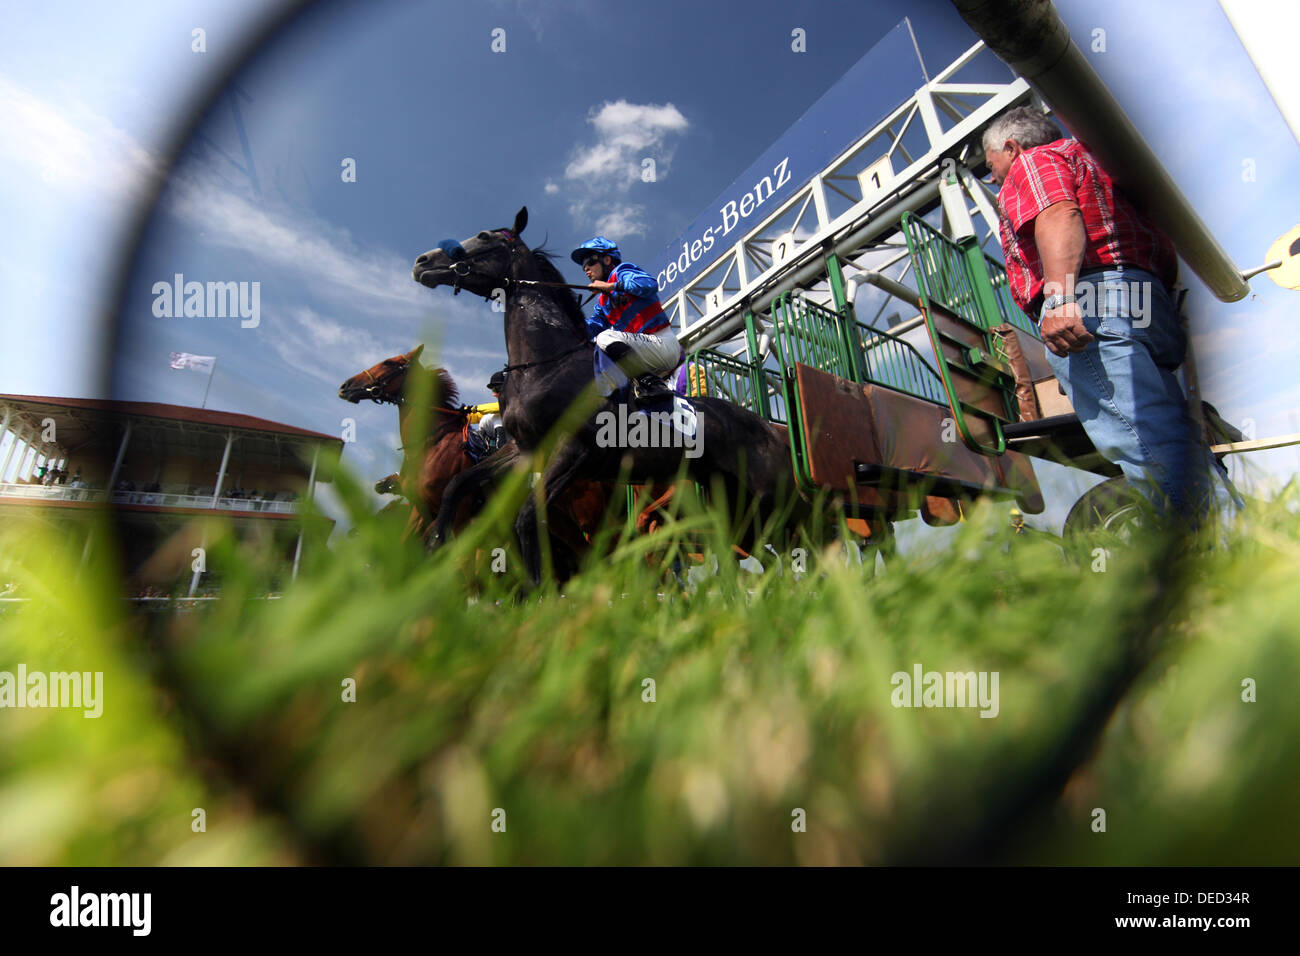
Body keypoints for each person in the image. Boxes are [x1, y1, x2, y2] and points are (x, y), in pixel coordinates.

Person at [982, 105, 1240, 526]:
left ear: (1011, 147)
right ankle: (1244, 543)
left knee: (1146, 444)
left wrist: (1062, 299)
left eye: (992, 167)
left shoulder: (1035, 161)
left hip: (1091, 299)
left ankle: (1214, 565)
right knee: (1174, 438)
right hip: (1147, 300)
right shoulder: (1099, 164)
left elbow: (1058, 214)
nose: (993, 178)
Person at [571, 236, 684, 404]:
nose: (586, 269)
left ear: (607, 259)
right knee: (596, 345)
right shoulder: (602, 302)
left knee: (606, 337)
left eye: (590, 261)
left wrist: (612, 286)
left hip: (663, 343)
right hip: (645, 351)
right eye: (583, 267)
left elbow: (649, 284)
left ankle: (652, 384)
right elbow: (590, 329)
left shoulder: (623, 271)